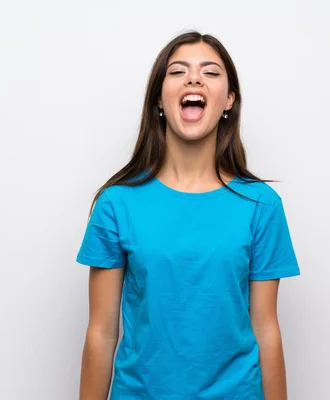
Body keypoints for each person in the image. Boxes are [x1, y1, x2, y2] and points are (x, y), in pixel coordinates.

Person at [76, 31, 300, 400]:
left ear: (228, 100)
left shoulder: (262, 205)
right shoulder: (117, 204)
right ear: (159, 100)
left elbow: (266, 328)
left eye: (211, 73)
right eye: (178, 71)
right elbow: (101, 332)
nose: (194, 79)